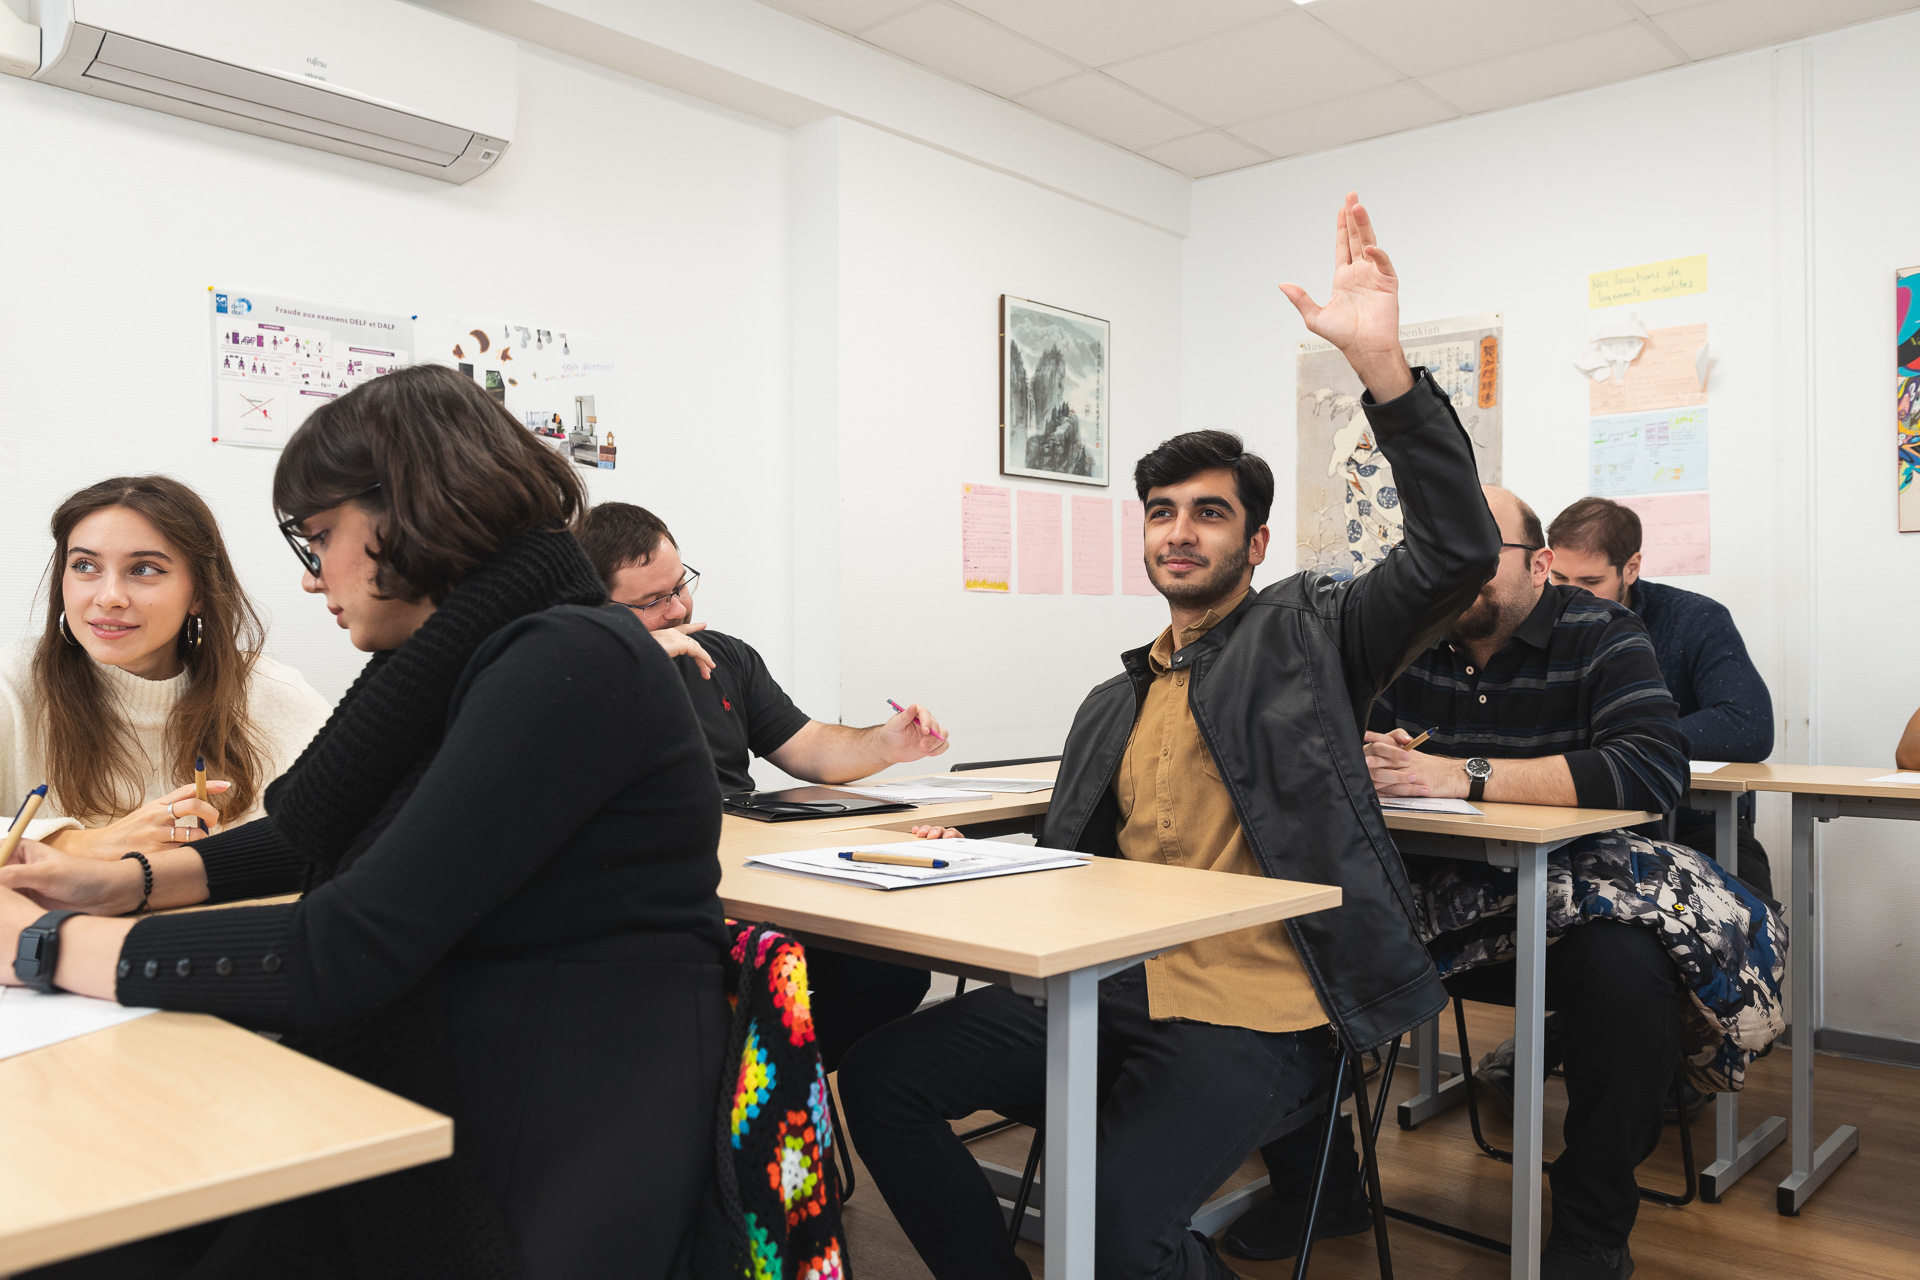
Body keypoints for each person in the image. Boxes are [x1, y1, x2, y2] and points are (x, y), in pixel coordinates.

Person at [837, 192, 1502, 1280]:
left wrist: (1382, 369)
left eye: (1207, 511)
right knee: (880, 1074)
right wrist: (962, 858)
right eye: (1160, 510)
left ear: (1256, 539)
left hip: (1265, 1008)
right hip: (1116, 988)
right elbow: (1079, 863)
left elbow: (1456, 551)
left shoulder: (1313, 631)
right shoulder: (1116, 696)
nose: (1179, 530)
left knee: (1104, 1226)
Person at [0, 364, 729, 1279]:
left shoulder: (565, 658)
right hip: (475, 1052)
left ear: (408, 513)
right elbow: (309, 831)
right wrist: (120, 882)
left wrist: (42, 944)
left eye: (320, 540)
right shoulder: (484, 647)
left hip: (552, 1111)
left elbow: (342, 948)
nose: (314, 581)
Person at [1340, 485, 1691, 1280]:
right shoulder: (1407, 642)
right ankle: (1317, 1181)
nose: (1451, 574)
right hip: (1425, 904)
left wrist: (1459, 773)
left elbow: (1652, 769)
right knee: (1292, 925)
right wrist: (1364, 755)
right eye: (1435, 557)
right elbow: (1326, 753)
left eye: (1475, 556)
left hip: (1569, 907)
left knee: (1629, 975)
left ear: (1539, 563)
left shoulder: (1604, 633)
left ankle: (1593, 1218)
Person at [579, 500, 947, 1070]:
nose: (678, 609)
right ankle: (726, 1088)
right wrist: (620, 660)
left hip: (752, 880)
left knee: (891, 969)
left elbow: (805, 745)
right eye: (651, 602)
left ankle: (761, 1085)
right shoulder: (569, 677)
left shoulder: (723, 654)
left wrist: (885, 745)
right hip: (660, 903)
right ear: (590, 605)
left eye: (680, 586)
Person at [0, 476, 331, 855]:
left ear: (199, 593)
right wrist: (82, 842)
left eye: (144, 569)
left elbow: (361, 829)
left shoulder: (275, 692)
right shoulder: (11, 682)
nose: (109, 598)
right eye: (85, 565)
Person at [1547, 495, 1775, 896]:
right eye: (1560, 579)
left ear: (1631, 567)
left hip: (1694, 820)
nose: (1572, 596)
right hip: (1571, 818)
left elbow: (1748, 725)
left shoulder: (1694, 619)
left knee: (1743, 917)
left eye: (1591, 583)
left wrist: (1630, 748)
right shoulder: (1537, 621)